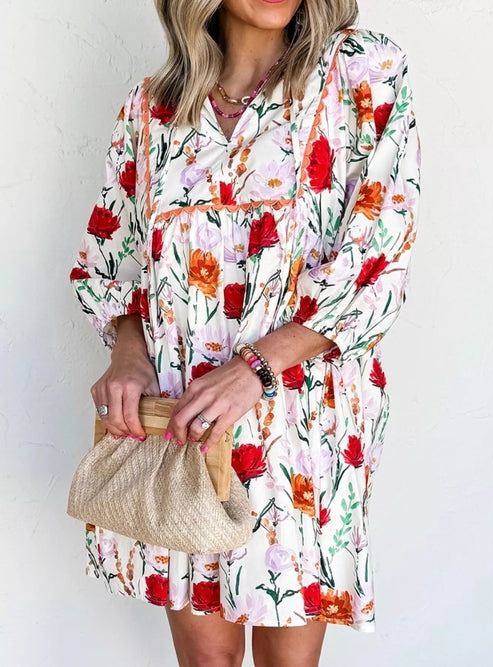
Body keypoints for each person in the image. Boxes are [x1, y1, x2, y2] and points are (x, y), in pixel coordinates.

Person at [69, 0, 420, 665]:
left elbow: (378, 256)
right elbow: (115, 261)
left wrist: (252, 369)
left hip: (302, 424)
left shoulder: (361, 72)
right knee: (208, 661)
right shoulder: (151, 110)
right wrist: (128, 357)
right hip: (185, 425)